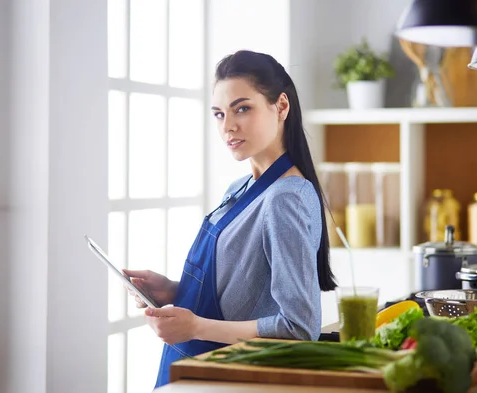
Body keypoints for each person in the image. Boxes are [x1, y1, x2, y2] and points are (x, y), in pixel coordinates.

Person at [123, 49, 337, 388]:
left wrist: (194, 327)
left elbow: (300, 327)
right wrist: (175, 291)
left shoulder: (286, 198)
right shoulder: (241, 187)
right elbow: (243, 296)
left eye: (242, 108)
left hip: (229, 378)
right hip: (199, 368)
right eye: (219, 114)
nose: (228, 126)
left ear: (281, 106)